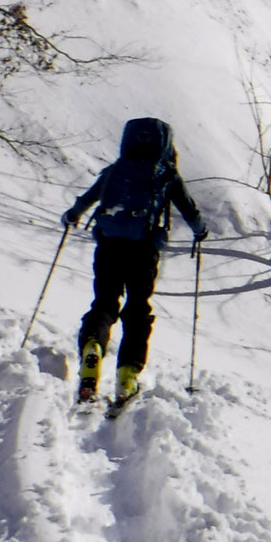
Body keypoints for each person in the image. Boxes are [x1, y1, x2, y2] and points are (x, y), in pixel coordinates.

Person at [63, 117, 205, 406]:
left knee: (104, 303)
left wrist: (73, 215)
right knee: (138, 310)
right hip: (144, 250)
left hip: (109, 244)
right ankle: (127, 376)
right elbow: (189, 210)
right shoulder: (167, 174)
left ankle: (92, 351)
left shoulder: (115, 170)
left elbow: (89, 198)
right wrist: (200, 230)